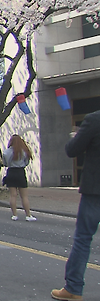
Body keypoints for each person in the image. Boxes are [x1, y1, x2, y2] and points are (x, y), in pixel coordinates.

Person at [51, 110, 100, 301]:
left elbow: (72, 150)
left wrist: (76, 136)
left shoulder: (94, 119)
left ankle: (73, 288)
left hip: (95, 190)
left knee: (83, 239)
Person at [1, 135, 36, 221]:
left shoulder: (6, 152)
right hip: (20, 172)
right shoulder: (24, 151)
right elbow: (26, 162)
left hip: (11, 172)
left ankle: (14, 215)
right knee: (24, 196)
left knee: (13, 195)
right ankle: (28, 215)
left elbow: (4, 163)